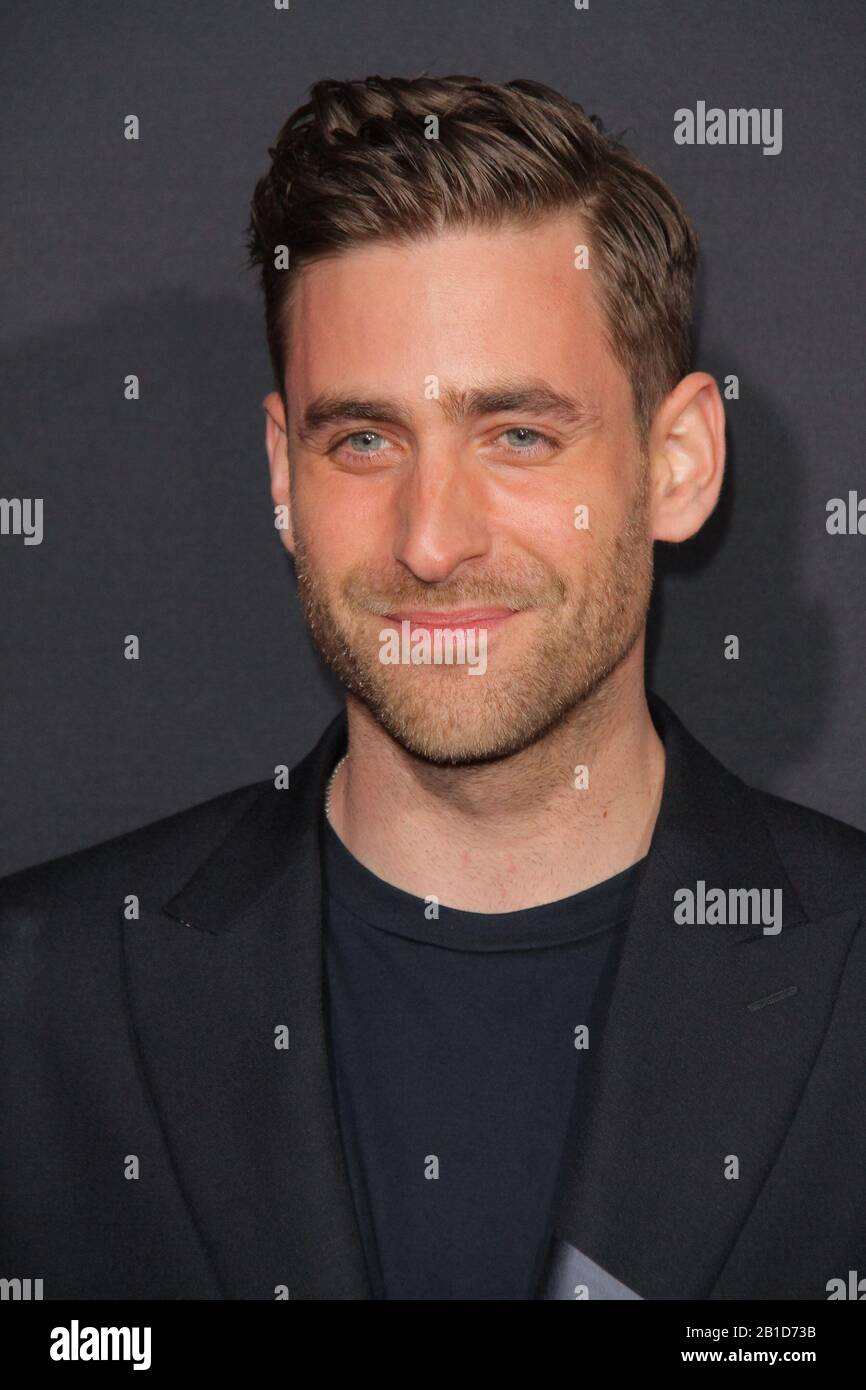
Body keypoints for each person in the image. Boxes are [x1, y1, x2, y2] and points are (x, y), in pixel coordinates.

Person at [1, 76, 864, 1301]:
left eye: (516, 434)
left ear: (675, 465)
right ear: (282, 475)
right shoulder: (34, 1000)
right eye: (362, 440)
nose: (428, 540)